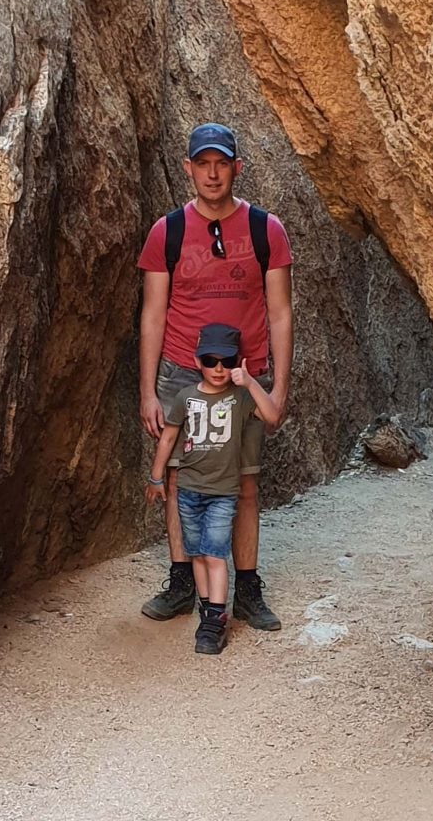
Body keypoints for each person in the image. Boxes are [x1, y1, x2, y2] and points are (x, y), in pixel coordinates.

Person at [138, 122, 293, 629]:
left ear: (236, 168)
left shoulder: (266, 231)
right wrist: (148, 391)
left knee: (243, 484)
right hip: (183, 373)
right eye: (202, 163)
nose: (212, 173)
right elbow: (154, 314)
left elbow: (279, 314)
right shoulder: (169, 232)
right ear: (188, 168)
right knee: (181, 480)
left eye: (221, 163)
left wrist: (278, 387)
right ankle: (184, 581)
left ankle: (246, 586)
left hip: (244, 377)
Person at [145, 324, 281, 654]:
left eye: (227, 360)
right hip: (190, 490)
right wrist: (156, 477)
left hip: (223, 493)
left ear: (237, 361)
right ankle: (209, 609)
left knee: (215, 554)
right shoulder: (185, 397)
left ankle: (214, 620)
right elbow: (168, 437)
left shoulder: (242, 397)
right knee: (197, 555)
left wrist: (248, 380)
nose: (218, 368)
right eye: (210, 360)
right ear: (197, 361)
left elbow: (273, 416)